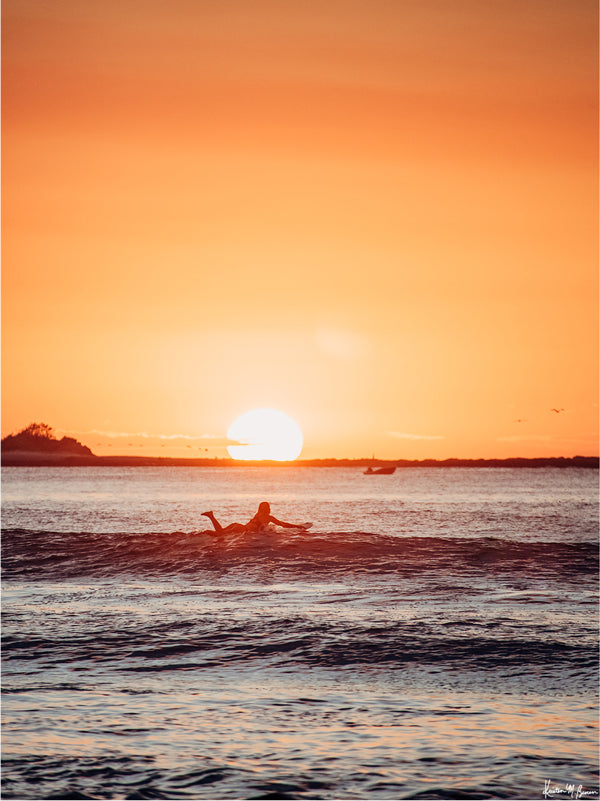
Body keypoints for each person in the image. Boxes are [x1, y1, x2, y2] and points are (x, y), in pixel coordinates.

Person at [201, 502, 307, 534]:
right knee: (219, 534)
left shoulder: (257, 515)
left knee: (220, 532)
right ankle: (210, 517)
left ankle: (211, 517)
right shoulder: (269, 518)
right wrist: (297, 526)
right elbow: (282, 524)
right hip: (242, 529)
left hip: (238, 525)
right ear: (268, 508)